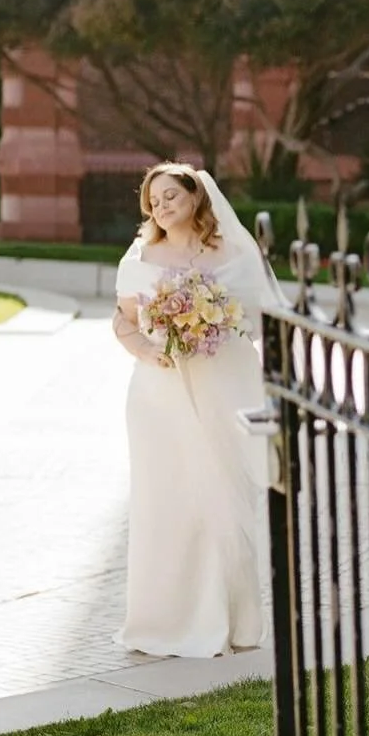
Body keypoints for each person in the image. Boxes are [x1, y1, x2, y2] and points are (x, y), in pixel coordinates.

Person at [113, 162, 282, 658]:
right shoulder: (141, 256)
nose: (162, 206)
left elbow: (260, 322)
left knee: (226, 503)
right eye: (154, 200)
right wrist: (148, 350)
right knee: (166, 503)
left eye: (170, 195)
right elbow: (123, 323)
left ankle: (233, 622)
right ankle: (163, 622)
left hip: (225, 386)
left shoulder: (233, 253)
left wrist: (212, 320)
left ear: (196, 195)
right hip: (157, 396)